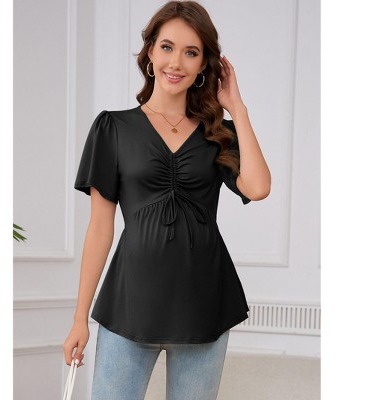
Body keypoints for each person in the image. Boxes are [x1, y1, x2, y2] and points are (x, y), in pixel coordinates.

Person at [63, 1, 271, 399]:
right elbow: (100, 228)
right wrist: (79, 319)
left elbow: (258, 188)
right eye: (167, 47)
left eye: (191, 52)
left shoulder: (219, 133)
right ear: (150, 54)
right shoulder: (113, 128)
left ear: (204, 65)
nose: (176, 62)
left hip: (205, 304)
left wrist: (237, 109)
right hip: (129, 306)